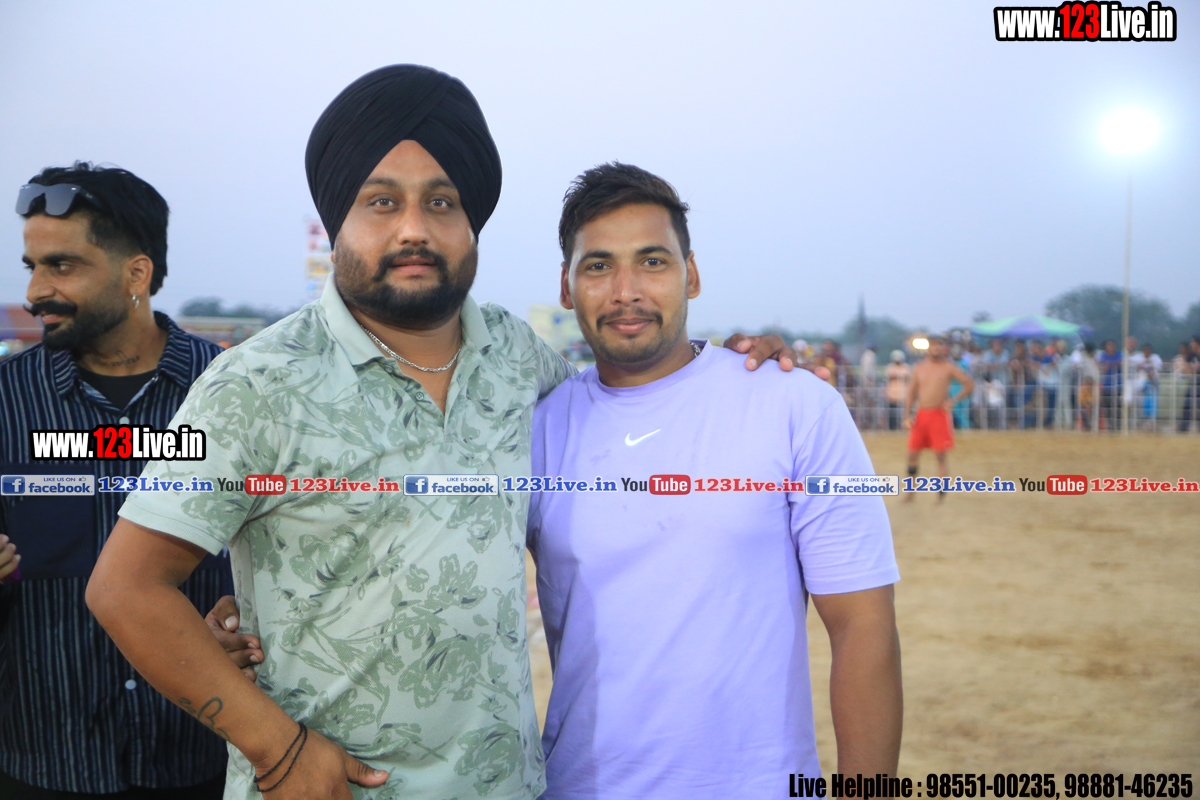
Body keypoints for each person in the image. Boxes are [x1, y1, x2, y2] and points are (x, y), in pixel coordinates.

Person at [85, 65, 797, 800]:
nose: (414, 229)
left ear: (471, 222)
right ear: (337, 223)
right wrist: (280, 749)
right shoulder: (254, 383)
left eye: (441, 202)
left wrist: (731, 367)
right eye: (381, 201)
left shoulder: (519, 361)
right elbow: (126, 587)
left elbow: (634, 410)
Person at [527, 163, 901, 798]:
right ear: (567, 286)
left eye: (652, 262)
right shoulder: (535, 431)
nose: (625, 291)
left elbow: (862, 625)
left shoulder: (792, 404)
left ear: (691, 275)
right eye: (598, 266)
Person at [0, 163, 241, 798]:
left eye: (62, 266)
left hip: (204, 757)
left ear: (136, 274)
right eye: (32, 266)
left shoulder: (233, 395)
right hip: (47, 763)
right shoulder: (6, 400)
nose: (36, 291)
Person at [903, 335, 974, 503]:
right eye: (933, 345)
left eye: (938, 345)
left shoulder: (949, 367)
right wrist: (906, 416)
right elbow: (912, 392)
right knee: (912, 453)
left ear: (943, 349)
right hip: (921, 414)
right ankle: (910, 493)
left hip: (939, 415)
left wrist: (952, 401)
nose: (935, 348)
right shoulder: (919, 367)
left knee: (940, 455)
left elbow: (969, 384)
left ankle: (941, 495)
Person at [1098, 339, 1123, 431]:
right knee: (1107, 406)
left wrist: (1109, 364)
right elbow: (1103, 366)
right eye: (1108, 346)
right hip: (1107, 385)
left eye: (1111, 345)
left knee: (1118, 406)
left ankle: (1118, 425)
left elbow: (1120, 363)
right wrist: (1111, 364)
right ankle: (1109, 425)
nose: (1110, 347)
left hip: (1118, 385)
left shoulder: (1119, 354)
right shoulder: (1103, 355)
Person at [884, 349, 910, 430]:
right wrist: (900, 376)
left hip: (903, 394)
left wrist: (898, 376)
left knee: (903, 413)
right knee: (892, 412)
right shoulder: (890, 367)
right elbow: (891, 376)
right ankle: (892, 428)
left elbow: (907, 377)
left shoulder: (905, 367)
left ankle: (902, 427)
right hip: (892, 394)